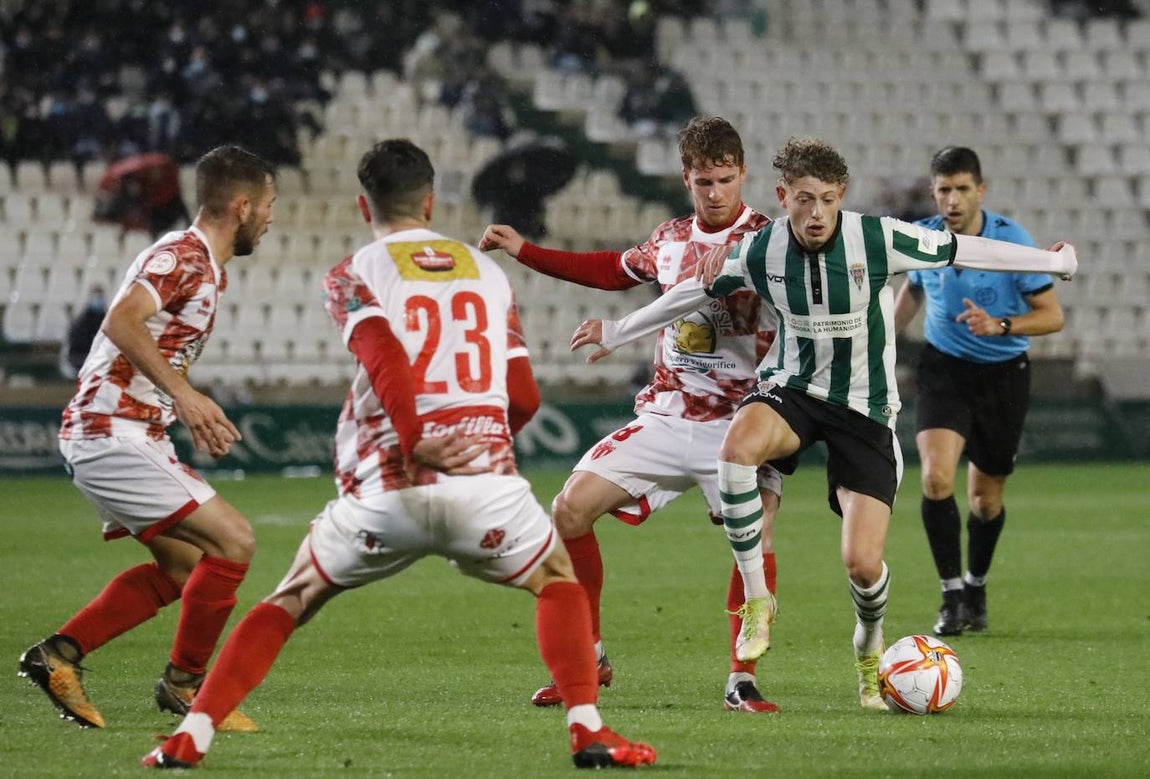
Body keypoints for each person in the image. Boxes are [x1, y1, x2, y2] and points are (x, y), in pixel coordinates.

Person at [140, 139, 656, 770]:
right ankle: (587, 730)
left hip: (386, 488)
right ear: (432, 201)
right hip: (484, 487)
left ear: (364, 206)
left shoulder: (351, 274)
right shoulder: (486, 271)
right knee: (557, 584)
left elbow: (383, 353)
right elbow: (522, 395)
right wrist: (482, 442)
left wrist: (415, 442)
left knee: (290, 600)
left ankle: (190, 736)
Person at [570, 136, 1078, 710]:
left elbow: (963, 248)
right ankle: (757, 601)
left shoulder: (879, 238)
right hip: (794, 389)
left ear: (842, 197)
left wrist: (1052, 261)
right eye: (804, 200)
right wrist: (616, 332)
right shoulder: (760, 248)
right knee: (737, 450)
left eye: (828, 201)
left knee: (862, 566)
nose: (816, 214)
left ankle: (870, 646)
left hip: (864, 409)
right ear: (784, 196)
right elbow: (687, 294)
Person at [479, 115, 784, 714]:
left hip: (744, 421)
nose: (716, 193)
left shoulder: (772, 241)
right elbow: (611, 271)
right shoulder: (669, 239)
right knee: (568, 510)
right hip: (667, 415)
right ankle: (588, 657)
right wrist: (526, 251)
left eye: (725, 180)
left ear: (744, 173)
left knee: (756, 538)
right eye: (704, 182)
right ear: (686, 178)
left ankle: (741, 680)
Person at [18, 145, 277, 732]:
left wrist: (188, 400)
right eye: (268, 206)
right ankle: (186, 687)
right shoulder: (181, 256)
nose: (271, 218)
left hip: (133, 430)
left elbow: (153, 345)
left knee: (186, 569)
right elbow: (121, 321)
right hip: (110, 430)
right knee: (234, 541)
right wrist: (185, 398)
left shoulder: (205, 268)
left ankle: (57, 655)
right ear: (242, 207)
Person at [892, 147, 1065, 637]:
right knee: (936, 479)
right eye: (944, 189)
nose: (952, 199)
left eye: (962, 189)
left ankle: (976, 584)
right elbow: (916, 290)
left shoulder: (1011, 243)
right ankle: (950, 597)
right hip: (944, 369)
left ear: (980, 191)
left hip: (1003, 373)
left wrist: (1002, 324)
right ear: (933, 193)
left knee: (985, 500)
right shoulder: (922, 238)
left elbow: (1053, 316)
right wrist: (882, 340)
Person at [60, 284, 108, 380]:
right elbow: (76, 344)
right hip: (80, 359)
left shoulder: (107, 319)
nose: (98, 300)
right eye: (96, 297)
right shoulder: (81, 322)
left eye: (100, 296)